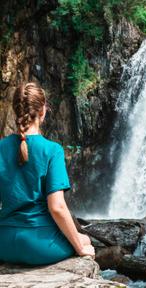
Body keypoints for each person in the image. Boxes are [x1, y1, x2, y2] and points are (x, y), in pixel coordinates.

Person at [0, 82, 95, 265]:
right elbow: (57, 207)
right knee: (84, 240)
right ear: (43, 111)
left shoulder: (1, 148)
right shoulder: (52, 150)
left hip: (4, 243)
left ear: (15, 110)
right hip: (38, 245)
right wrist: (80, 246)